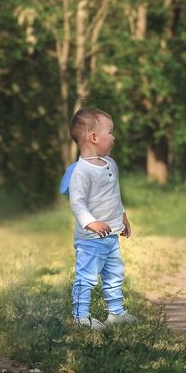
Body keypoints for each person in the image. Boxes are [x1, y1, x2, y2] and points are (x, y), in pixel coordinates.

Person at [64, 107, 137, 329]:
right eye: (110, 132)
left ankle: (116, 313)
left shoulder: (110, 164)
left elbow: (114, 195)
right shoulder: (81, 171)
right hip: (90, 240)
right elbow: (77, 203)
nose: (113, 137)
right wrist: (91, 222)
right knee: (86, 277)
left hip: (111, 235)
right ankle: (81, 316)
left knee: (114, 274)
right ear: (94, 137)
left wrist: (122, 216)